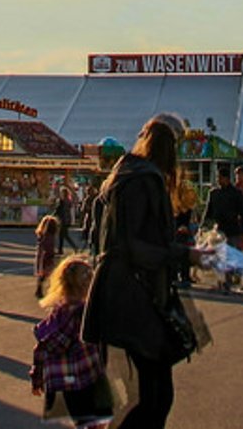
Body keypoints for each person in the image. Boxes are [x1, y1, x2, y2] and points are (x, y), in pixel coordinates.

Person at [83, 115, 199, 429]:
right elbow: (133, 246)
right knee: (153, 398)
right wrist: (186, 254)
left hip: (118, 293)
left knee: (149, 395)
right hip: (134, 297)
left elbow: (107, 239)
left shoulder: (122, 176)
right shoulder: (143, 179)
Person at [30, 256, 109, 429]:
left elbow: (42, 346)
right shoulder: (78, 313)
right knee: (96, 421)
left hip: (76, 379)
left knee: (92, 421)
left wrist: (37, 376)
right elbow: (50, 345)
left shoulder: (60, 310)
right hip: (82, 377)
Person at [35, 214, 63, 299]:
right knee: (52, 274)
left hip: (43, 257)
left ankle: (39, 289)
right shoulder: (50, 237)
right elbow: (49, 248)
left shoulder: (42, 235)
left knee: (42, 275)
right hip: (48, 257)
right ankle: (50, 290)